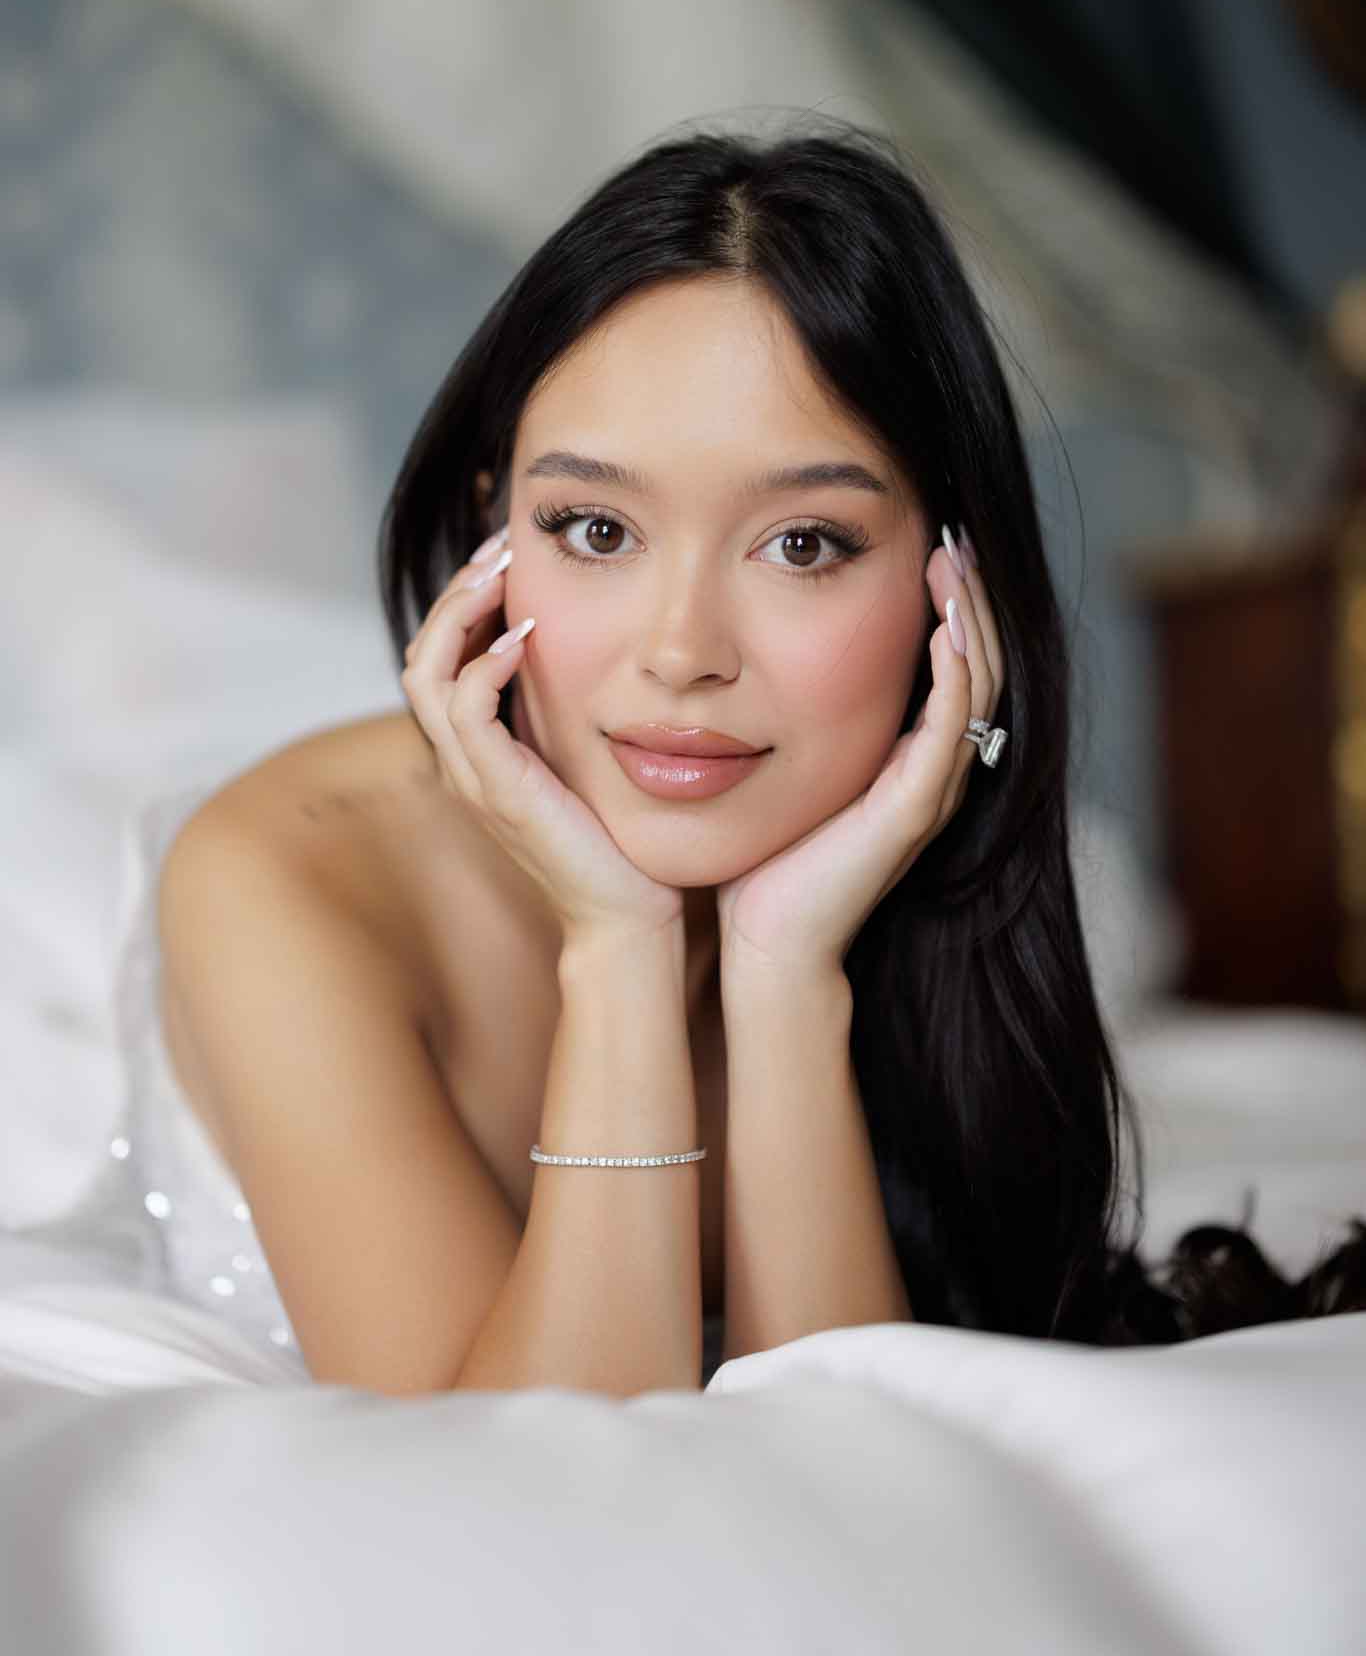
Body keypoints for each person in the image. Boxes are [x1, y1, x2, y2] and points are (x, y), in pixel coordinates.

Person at [153, 120, 1364, 1396]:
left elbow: (832, 1458)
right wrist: (617, 951)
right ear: (487, 531)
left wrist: (787, 974)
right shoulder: (285, 881)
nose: (681, 652)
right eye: (595, 527)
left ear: (953, 589)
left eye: (802, 545)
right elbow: (525, 1485)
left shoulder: (939, 910)